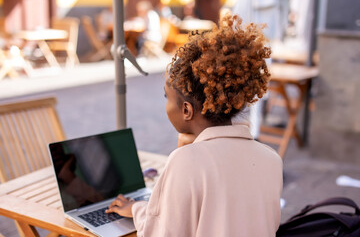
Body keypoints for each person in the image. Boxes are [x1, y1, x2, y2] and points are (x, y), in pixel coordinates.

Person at [106, 14, 283, 236]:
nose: (166, 105)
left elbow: (162, 232)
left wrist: (137, 209)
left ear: (187, 110)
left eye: (166, 97)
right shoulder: (271, 159)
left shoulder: (185, 162)